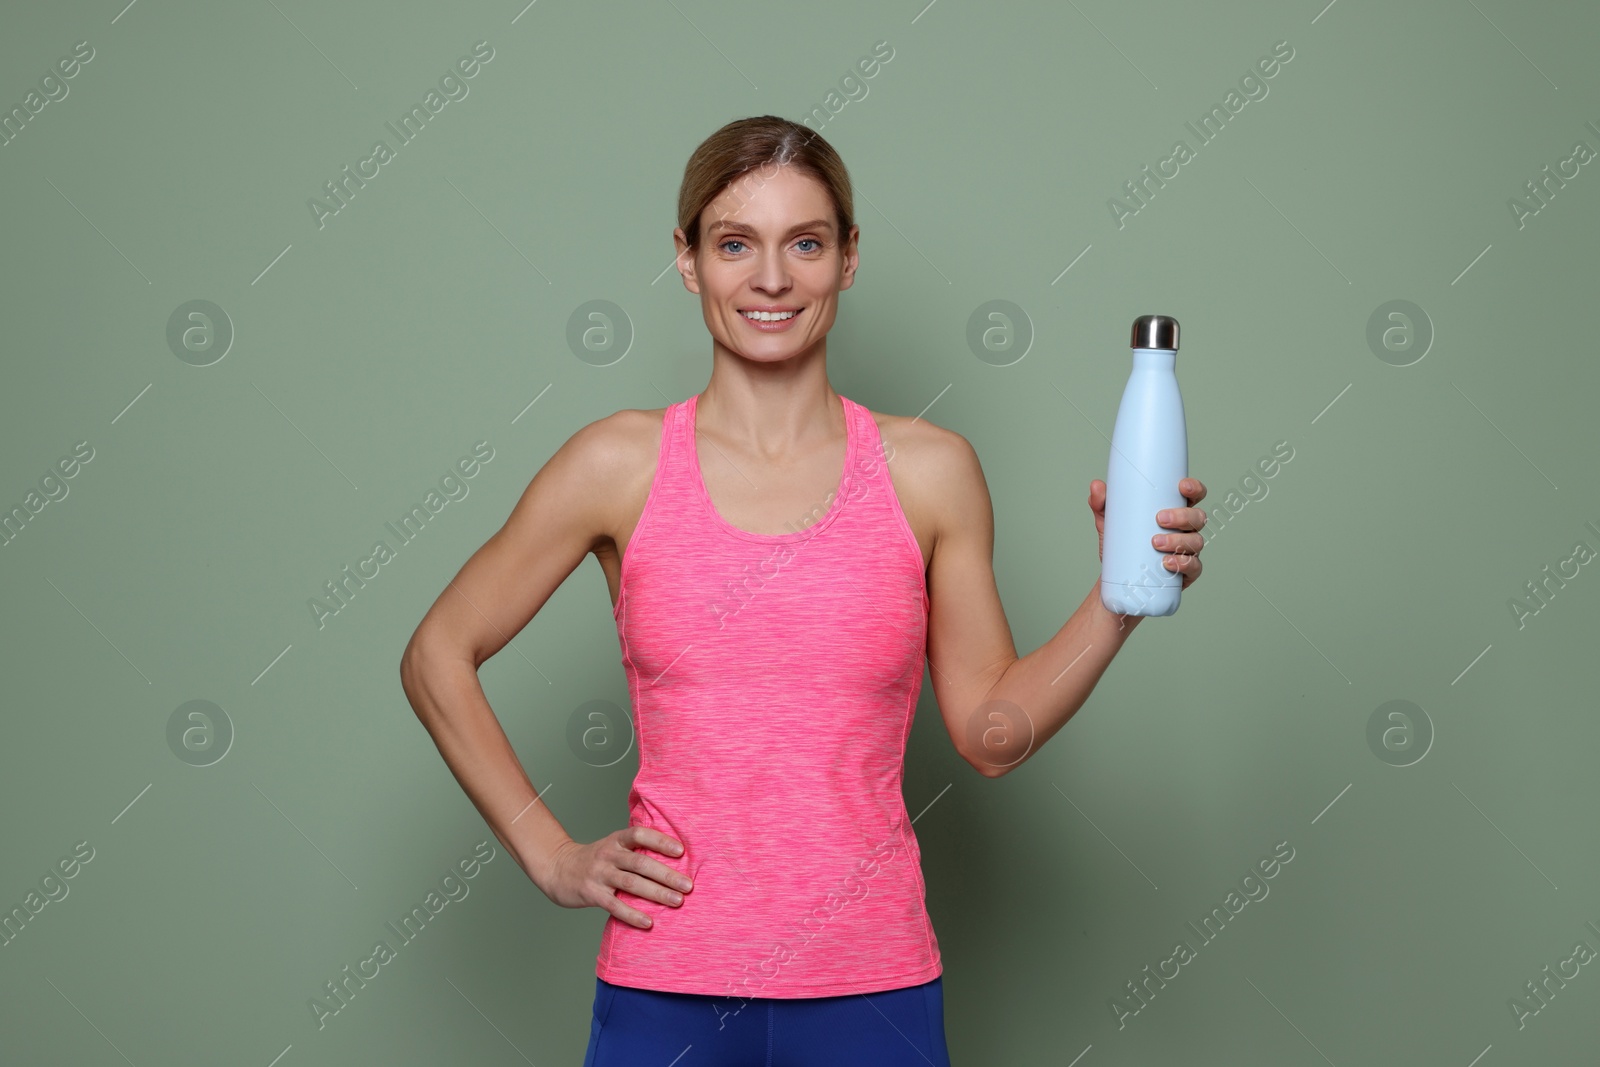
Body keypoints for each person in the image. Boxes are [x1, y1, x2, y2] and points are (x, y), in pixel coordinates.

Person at [399, 114, 1209, 1065]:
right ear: (688, 259)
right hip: (668, 988)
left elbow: (990, 735)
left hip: (873, 990)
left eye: (806, 243)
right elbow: (436, 655)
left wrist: (1118, 598)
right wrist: (552, 853)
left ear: (849, 258)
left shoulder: (930, 471)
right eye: (735, 243)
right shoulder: (616, 464)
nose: (772, 278)